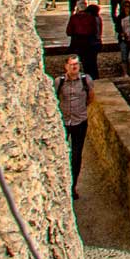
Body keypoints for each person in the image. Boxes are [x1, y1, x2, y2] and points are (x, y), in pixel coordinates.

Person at [53, 55, 92, 196]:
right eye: (71, 65)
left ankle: (73, 186)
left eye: (76, 64)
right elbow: (54, 98)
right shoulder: (59, 82)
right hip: (64, 122)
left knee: (76, 156)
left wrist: (81, 109)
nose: (74, 67)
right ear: (66, 67)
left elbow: (90, 97)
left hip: (79, 122)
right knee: (60, 153)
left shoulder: (85, 80)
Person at [66, 0, 103, 81]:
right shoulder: (92, 17)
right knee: (92, 61)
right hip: (90, 41)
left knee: (84, 61)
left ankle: (87, 77)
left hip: (79, 42)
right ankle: (94, 77)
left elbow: (68, 32)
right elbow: (95, 30)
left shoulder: (74, 18)